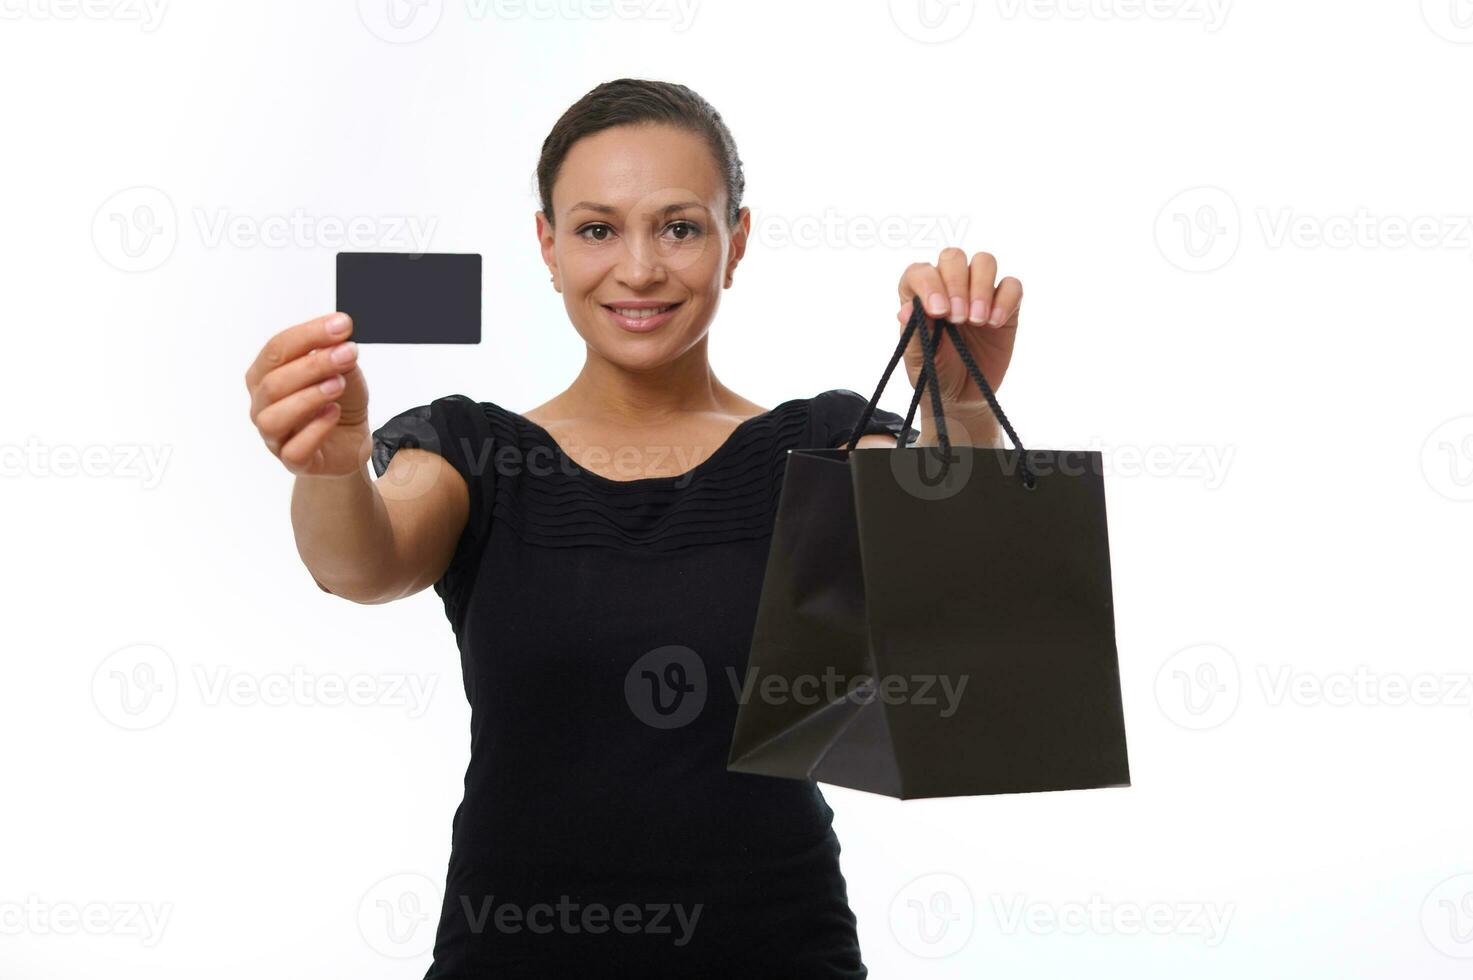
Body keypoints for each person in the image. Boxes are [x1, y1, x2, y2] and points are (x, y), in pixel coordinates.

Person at [244, 78, 1023, 978]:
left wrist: (959, 410)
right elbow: (363, 564)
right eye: (597, 228)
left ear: (736, 243)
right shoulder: (478, 450)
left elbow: (967, 609)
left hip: (777, 951)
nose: (641, 268)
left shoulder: (823, 444)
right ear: (547, 244)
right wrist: (331, 465)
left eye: (681, 227)